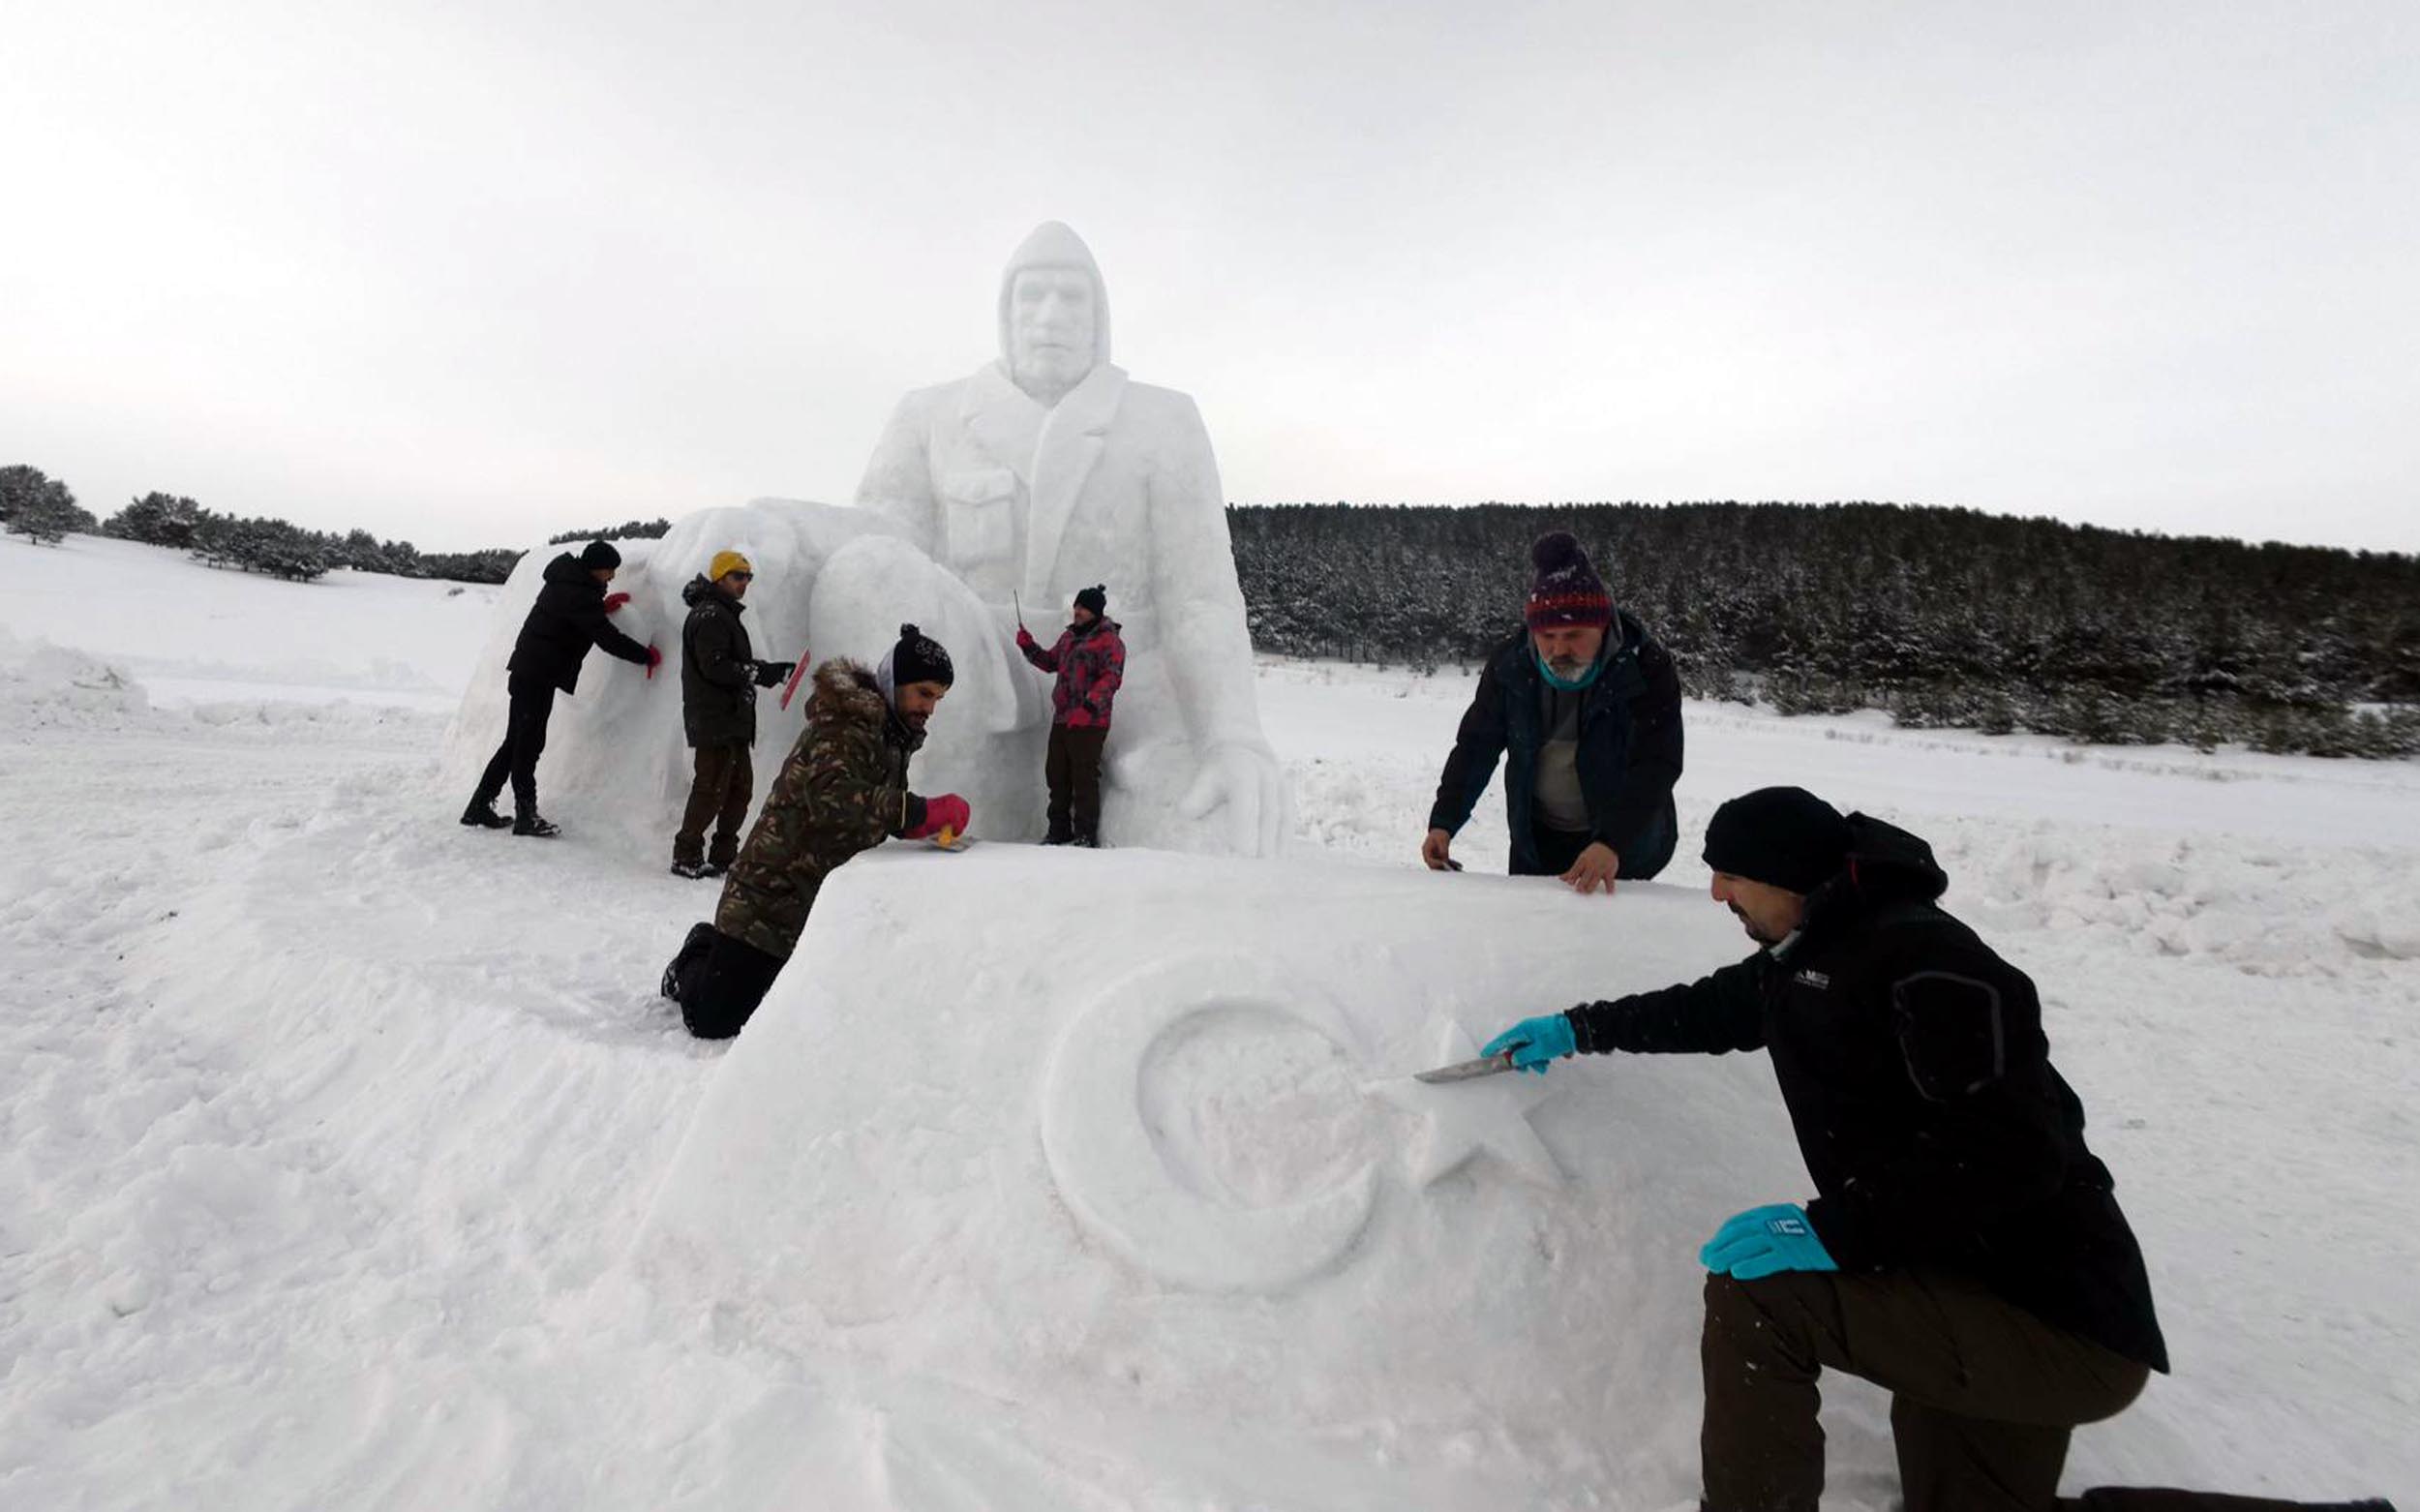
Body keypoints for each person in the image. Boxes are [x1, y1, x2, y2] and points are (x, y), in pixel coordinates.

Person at [1477, 787, 2394, 1512]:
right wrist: (1577, 1026)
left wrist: (1836, 1231)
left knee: (1761, 1301)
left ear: (1789, 874)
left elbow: (2012, 1153)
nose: (1714, 890)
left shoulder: (1929, 966)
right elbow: (1713, 1009)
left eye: (1729, 872)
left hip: (2053, 1320)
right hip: (1965, 1283)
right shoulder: (1814, 949)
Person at [813, 221, 1283, 855]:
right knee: (920, 852)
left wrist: (1230, 732)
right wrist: (772, 526)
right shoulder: (930, 417)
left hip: (1127, 695)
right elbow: (875, 547)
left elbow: (1199, 595)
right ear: (1006, 313)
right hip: (976, 686)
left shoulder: (1163, 421)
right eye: (1032, 297)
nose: (1051, 316)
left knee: (1217, 834)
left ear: (1100, 316)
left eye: (1072, 298)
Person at [661, 624, 969, 1040]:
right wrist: (915, 812)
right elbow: (829, 797)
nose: (930, 707)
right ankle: (697, 951)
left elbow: (867, 803)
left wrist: (915, 826)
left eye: (938, 698)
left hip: (812, 903)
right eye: (924, 693)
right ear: (894, 682)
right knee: (714, 1021)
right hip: (767, 897)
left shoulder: (891, 734)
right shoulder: (845, 725)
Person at [1423, 529, 1681, 891]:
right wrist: (1444, 821)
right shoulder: (1510, 666)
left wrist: (1611, 842)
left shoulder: (1644, 667)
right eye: (1548, 636)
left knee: (1615, 942)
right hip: (1537, 841)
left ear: (1603, 625)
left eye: (1574, 634)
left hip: (1623, 845)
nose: (1559, 649)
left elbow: (1658, 762)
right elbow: (1476, 746)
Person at [461, 539, 657, 837]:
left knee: (515, 742)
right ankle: (526, 816)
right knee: (528, 745)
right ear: (595, 568)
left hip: (531, 672)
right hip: (537, 675)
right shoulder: (577, 592)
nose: (612, 577)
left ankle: (479, 806)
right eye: (609, 571)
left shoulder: (568, 583)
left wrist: (599, 608)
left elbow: (573, 618)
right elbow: (605, 637)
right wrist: (645, 655)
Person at [672, 550, 800, 879]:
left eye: (748, 577)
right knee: (711, 788)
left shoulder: (723, 614)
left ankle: (724, 855)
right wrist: (761, 674)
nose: (744, 583)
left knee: (740, 789)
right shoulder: (710, 615)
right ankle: (686, 854)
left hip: (733, 718)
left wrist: (768, 671)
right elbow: (714, 666)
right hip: (714, 717)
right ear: (719, 578)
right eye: (737, 576)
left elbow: (729, 663)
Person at [1014, 583, 1125, 846]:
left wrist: (1088, 708)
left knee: (1084, 777)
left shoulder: (1109, 640)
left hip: (1090, 722)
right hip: (1063, 719)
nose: (1077, 611)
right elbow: (1050, 662)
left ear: (1096, 611)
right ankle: (1059, 831)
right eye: (1076, 606)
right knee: (1056, 775)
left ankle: (1085, 835)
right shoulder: (1069, 638)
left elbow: (1112, 678)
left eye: (1083, 607)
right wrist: (1029, 647)